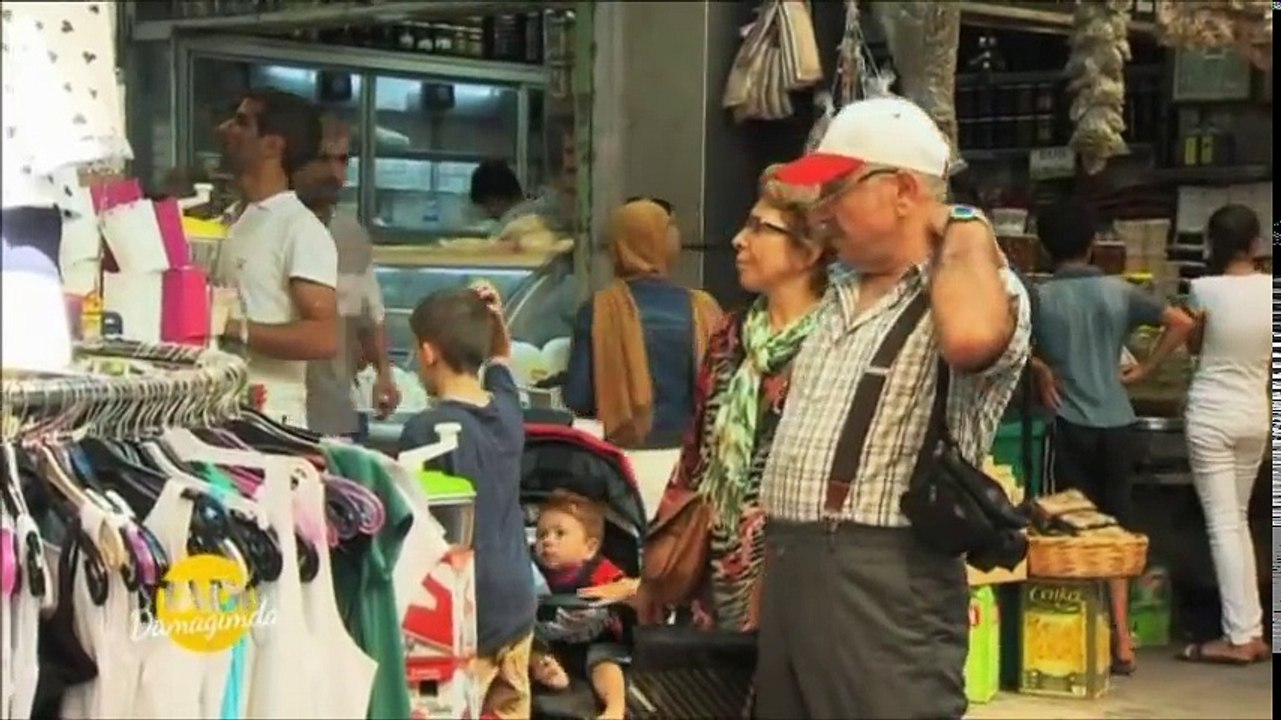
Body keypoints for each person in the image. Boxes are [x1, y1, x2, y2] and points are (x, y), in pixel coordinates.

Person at [754, 96, 1031, 719]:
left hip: (885, 582)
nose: (822, 212)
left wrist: (964, 222)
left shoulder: (973, 282)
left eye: (837, 190)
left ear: (903, 189)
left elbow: (969, 340)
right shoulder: (841, 293)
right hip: (796, 564)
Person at [639, 166, 832, 632]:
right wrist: (659, 564)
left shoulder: (836, 341)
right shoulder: (731, 332)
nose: (739, 241)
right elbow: (694, 455)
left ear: (810, 249)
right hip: (713, 570)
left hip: (797, 579)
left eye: (760, 228)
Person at [1029, 197, 1194, 675]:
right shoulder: (1119, 291)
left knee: (1072, 529)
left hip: (1069, 423)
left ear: (1044, 248)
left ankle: (1083, 635)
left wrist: (1040, 366)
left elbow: (1007, 342)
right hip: (1119, 423)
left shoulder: (1039, 298)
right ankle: (1123, 640)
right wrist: (1145, 369)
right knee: (1116, 531)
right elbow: (1181, 322)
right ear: (1093, 244)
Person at [397, 284, 535, 719]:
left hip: (464, 613)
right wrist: (494, 321)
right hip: (517, 605)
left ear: (428, 352)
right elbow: (501, 362)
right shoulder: (509, 412)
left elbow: (413, 532)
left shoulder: (427, 432)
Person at [212, 88, 338, 428]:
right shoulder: (229, 220)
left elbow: (325, 336)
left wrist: (233, 329)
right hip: (216, 411)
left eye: (241, 123)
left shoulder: (300, 228)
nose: (225, 130)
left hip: (268, 420)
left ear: (273, 145)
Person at [1178, 204, 1270, 665]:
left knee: (1224, 524)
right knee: (1237, 522)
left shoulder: (1202, 289)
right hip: (1256, 415)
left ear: (1212, 245)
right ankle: (1249, 629)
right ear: (1256, 245)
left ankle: (1240, 637)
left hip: (1212, 415)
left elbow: (1193, 346)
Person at [563, 199, 722, 448]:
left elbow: (577, 396)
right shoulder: (705, 309)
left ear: (618, 247)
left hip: (622, 457)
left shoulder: (599, 309)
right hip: (689, 458)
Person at [291, 116, 400, 437]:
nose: (334, 173)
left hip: (338, 412)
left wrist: (384, 374)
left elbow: (370, 313)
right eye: (323, 159)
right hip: (283, 412)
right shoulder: (277, 226)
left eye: (342, 160)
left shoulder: (351, 235)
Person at [529, 490, 630, 720]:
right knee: (527, 650)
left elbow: (631, 589)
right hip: (547, 640)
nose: (548, 540)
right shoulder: (532, 571)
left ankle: (615, 708)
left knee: (605, 661)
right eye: (542, 534)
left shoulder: (601, 571)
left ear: (589, 548)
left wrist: (621, 591)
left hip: (591, 641)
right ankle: (547, 672)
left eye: (560, 533)